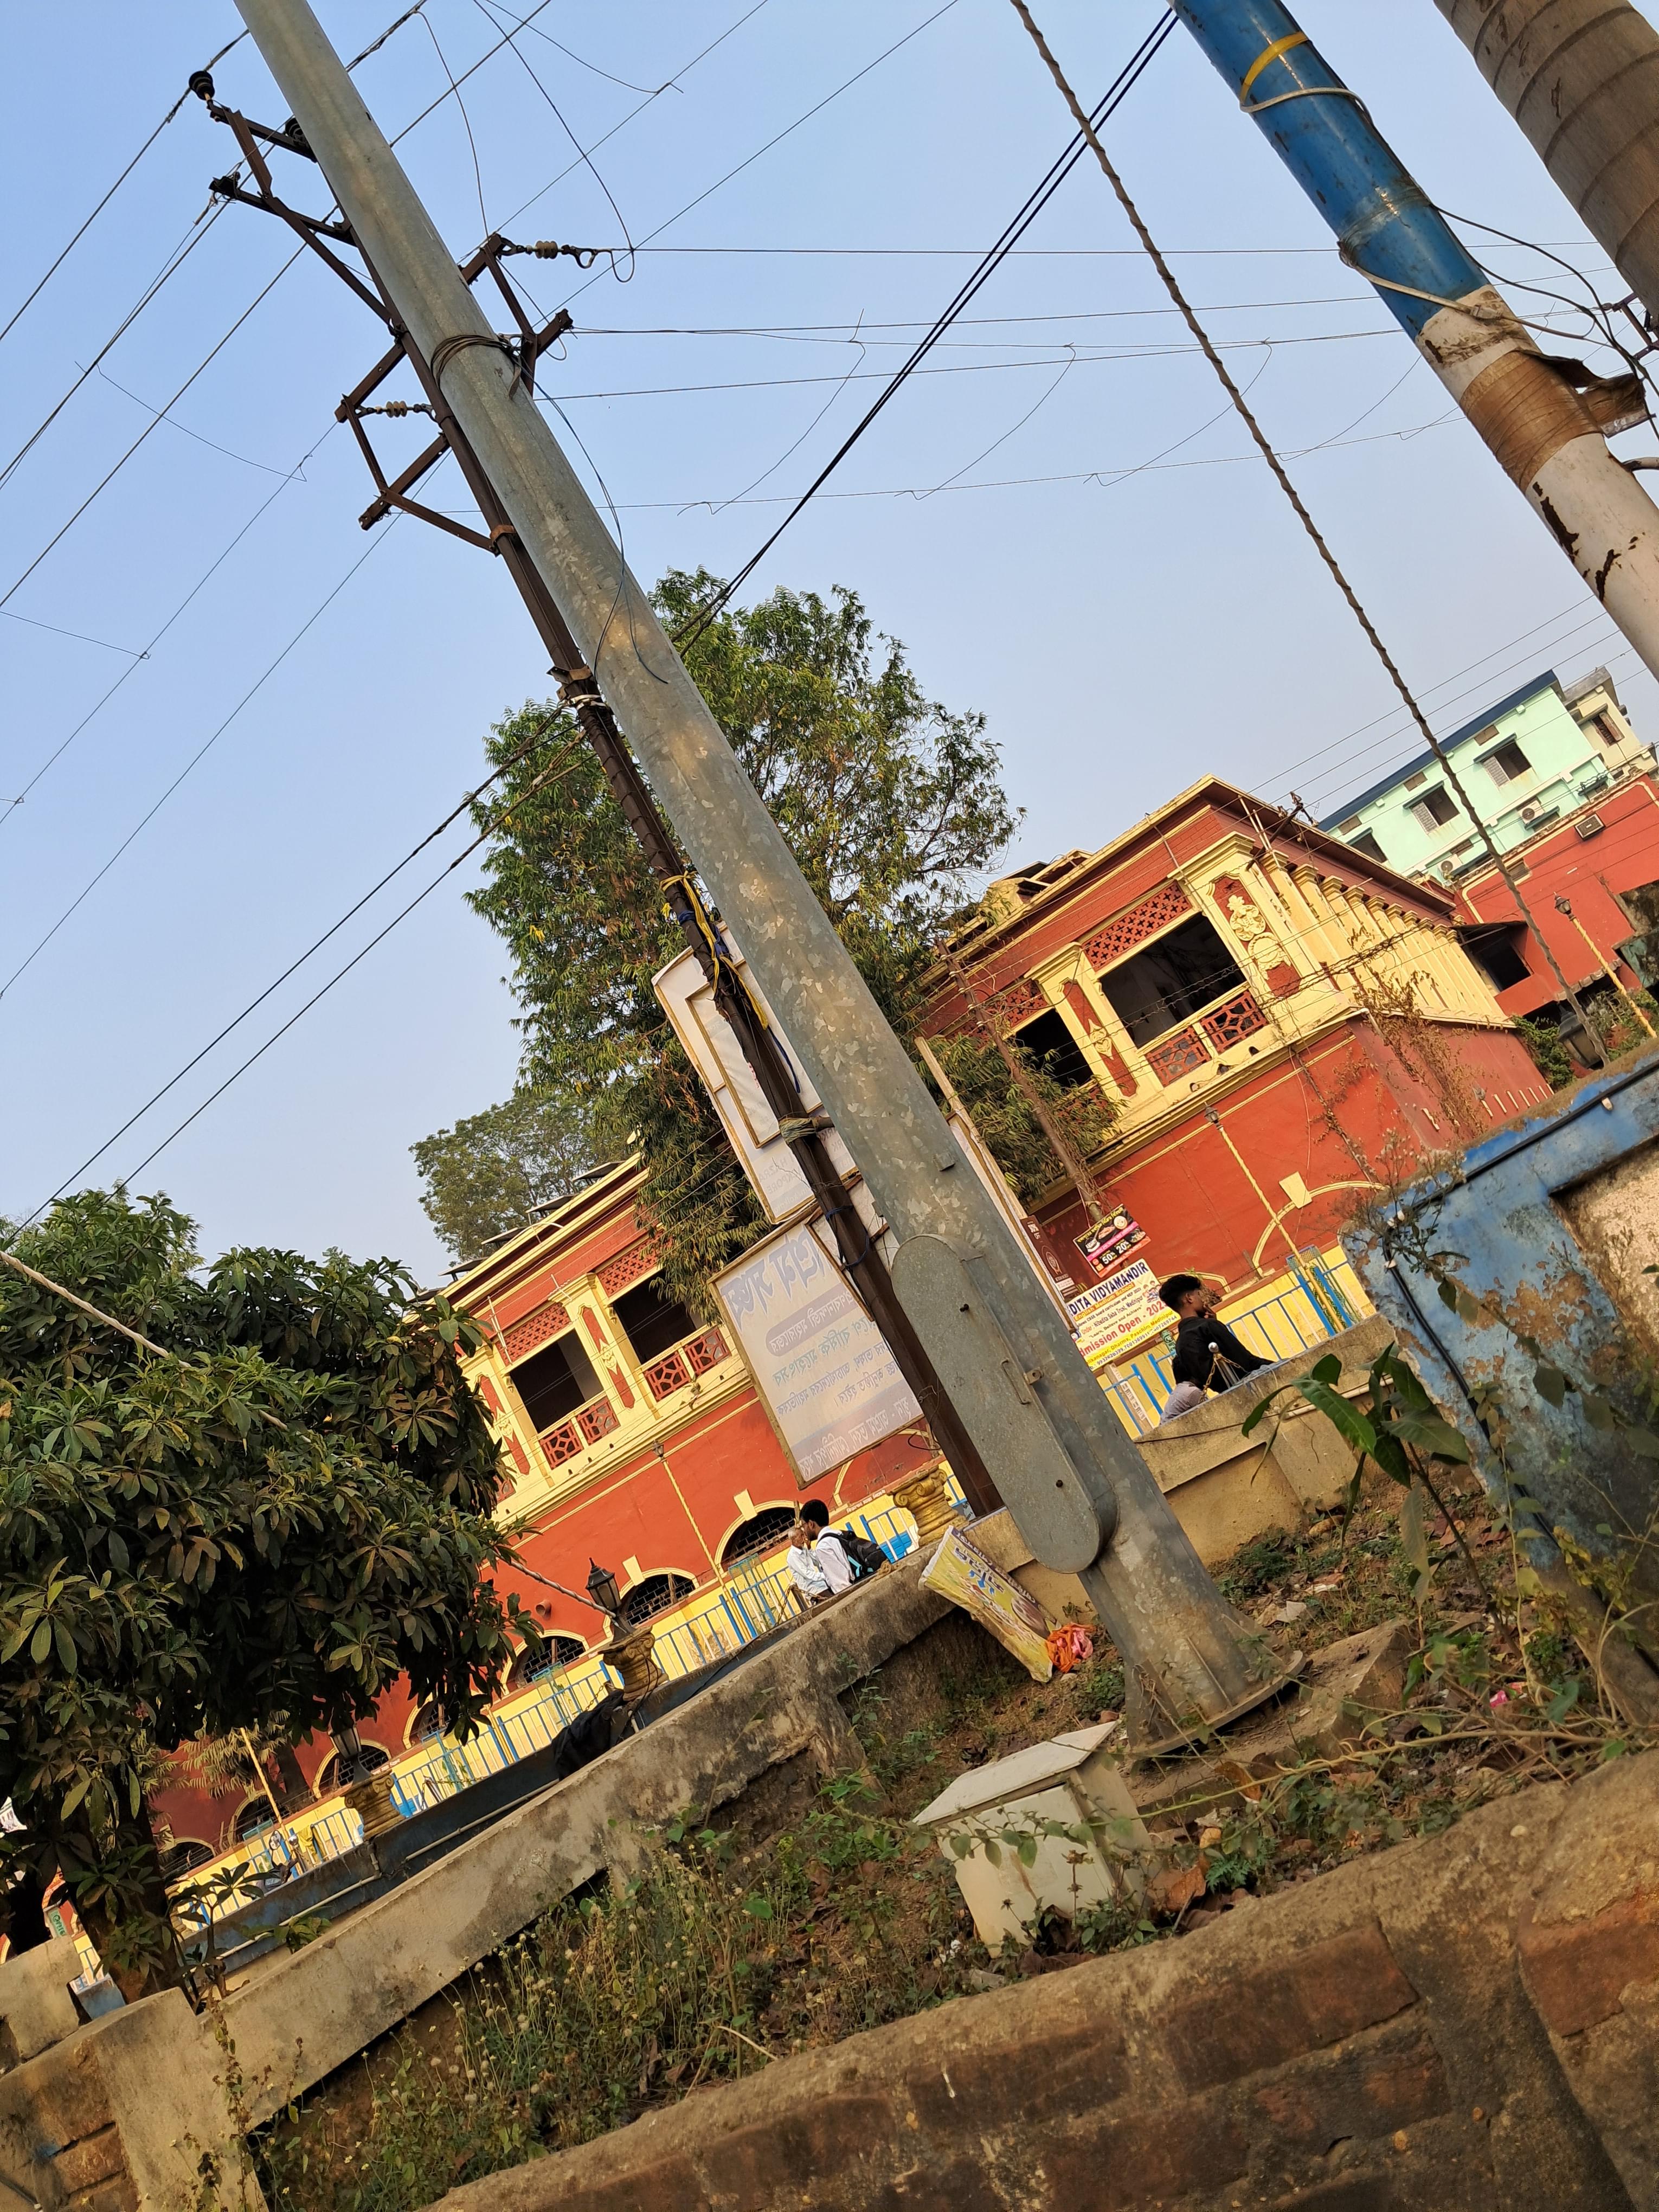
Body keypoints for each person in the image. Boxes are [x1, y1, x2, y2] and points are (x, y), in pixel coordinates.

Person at [1157, 1273, 1271, 1394]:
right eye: (1199, 1295)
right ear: (1189, 1298)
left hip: (1228, 1396)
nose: (1202, 1300)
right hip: (1253, 1388)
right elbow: (1247, 1362)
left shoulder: (1180, 1344)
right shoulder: (1208, 1327)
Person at [785, 1500, 853, 1605]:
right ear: (793, 1540)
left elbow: (818, 1562)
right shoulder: (793, 1557)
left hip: (823, 1583)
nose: (804, 1537)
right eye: (801, 1536)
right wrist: (825, 1575)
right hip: (814, 1589)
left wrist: (809, 1548)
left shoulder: (806, 1549)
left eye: (804, 1534)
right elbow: (808, 1574)